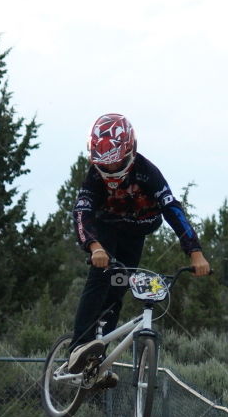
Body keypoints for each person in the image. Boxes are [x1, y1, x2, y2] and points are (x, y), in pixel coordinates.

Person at [68, 113, 210, 384]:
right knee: (101, 277)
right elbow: (81, 213)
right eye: (103, 166)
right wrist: (94, 246)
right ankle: (78, 348)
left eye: (116, 164)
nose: (110, 171)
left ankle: (96, 364)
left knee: (118, 289)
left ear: (130, 150)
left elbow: (172, 209)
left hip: (136, 233)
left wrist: (195, 252)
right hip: (106, 229)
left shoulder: (147, 172)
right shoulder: (94, 178)